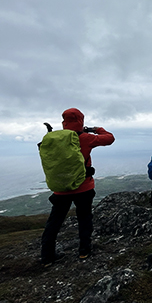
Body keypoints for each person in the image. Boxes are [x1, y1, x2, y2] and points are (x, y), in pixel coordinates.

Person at [40, 108, 115, 266]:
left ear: (63, 122)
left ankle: (47, 257)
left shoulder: (53, 138)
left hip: (61, 189)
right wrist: (96, 129)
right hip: (84, 188)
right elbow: (109, 138)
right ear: (81, 120)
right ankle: (84, 251)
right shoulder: (85, 138)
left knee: (54, 222)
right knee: (85, 219)